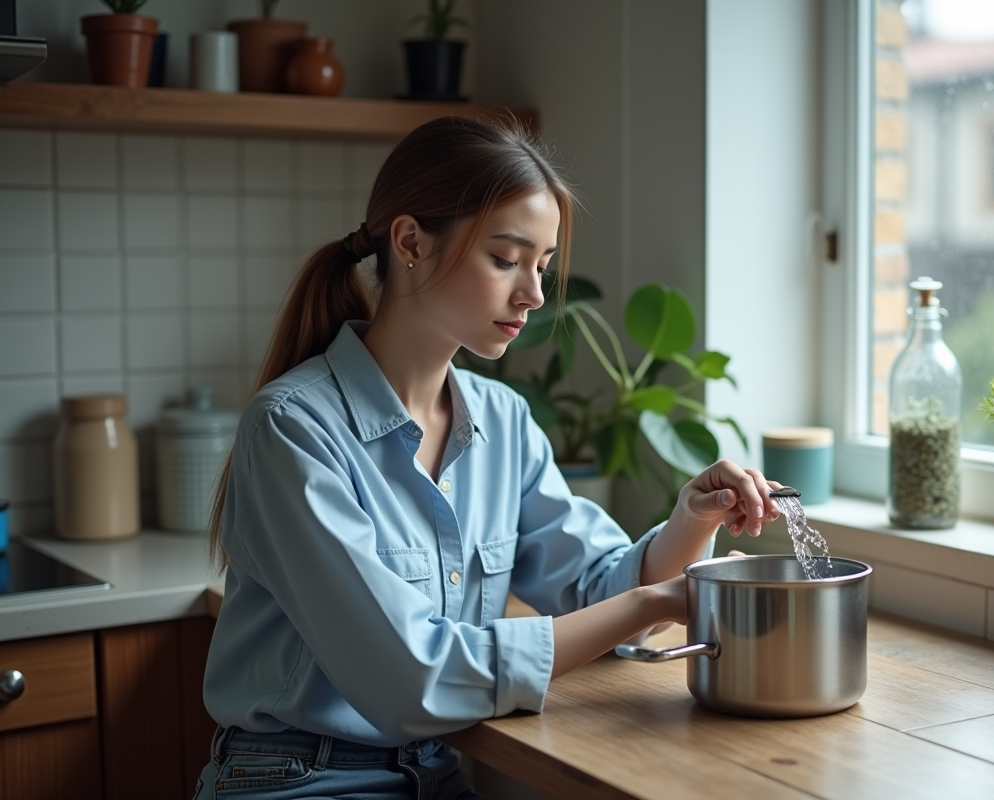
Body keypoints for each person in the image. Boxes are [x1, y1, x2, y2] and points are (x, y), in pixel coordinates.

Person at [195, 116, 782, 800]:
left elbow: (598, 587)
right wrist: (655, 599)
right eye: (506, 259)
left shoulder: (503, 422)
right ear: (410, 242)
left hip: (439, 774)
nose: (533, 294)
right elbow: (411, 677)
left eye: (542, 266)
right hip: (298, 781)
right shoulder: (293, 430)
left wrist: (692, 517)